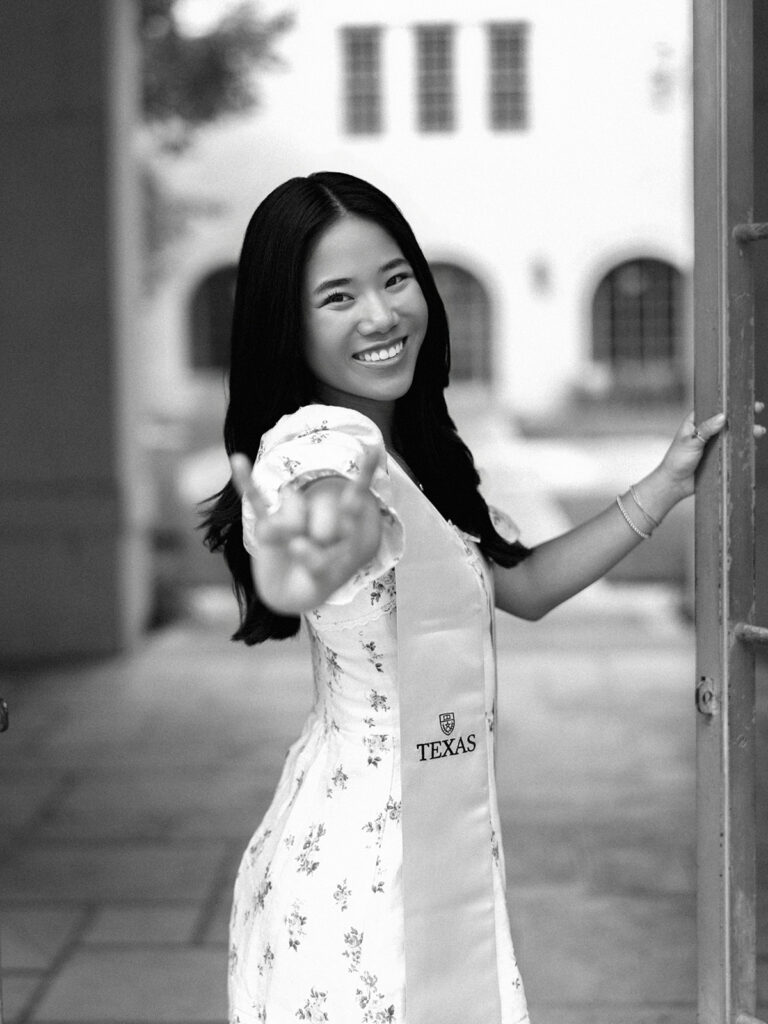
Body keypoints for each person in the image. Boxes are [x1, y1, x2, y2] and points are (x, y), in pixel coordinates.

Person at [203, 171, 762, 1024]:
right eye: (337, 296)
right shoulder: (323, 443)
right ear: (288, 322)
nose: (382, 316)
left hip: (431, 830)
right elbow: (315, 496)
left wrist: (663, 485)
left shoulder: (412, 450)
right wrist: (303, 560)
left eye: (395, 280)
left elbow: (522, 586)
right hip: (364, 870)